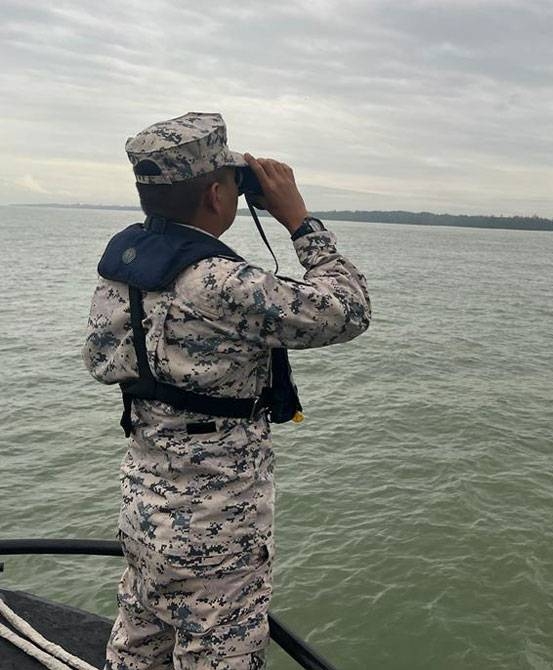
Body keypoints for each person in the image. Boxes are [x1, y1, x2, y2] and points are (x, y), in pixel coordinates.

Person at [83, 112, 371, 668]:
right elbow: (349, 309)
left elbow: (100, 360)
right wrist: (300, 222)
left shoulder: (123, 265)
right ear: (217, 195)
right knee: (221, 650)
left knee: (140, 640)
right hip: (218, 520)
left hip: (145, 499)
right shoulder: (221, 282)